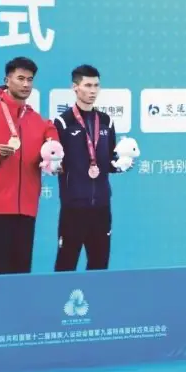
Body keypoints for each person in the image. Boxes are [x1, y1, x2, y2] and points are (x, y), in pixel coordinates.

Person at [0, 56, 59, 275]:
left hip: (27, 207)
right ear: (7, 80)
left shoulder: (37, 120)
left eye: (30, 80)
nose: (26, 84)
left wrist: (54, 160)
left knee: (21, 271)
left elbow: (52, 144)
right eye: (20, 78)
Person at [53, 64, 133, 272]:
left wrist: (121, 164)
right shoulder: (63, 122)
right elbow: (56, 162)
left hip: (101, 207)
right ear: (75, 87)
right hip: (73, 207)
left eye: (96, 85)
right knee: (65, 265)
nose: (93, 91)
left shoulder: (106, 121)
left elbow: (110, 161)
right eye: (87, 85)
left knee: (99, 266)